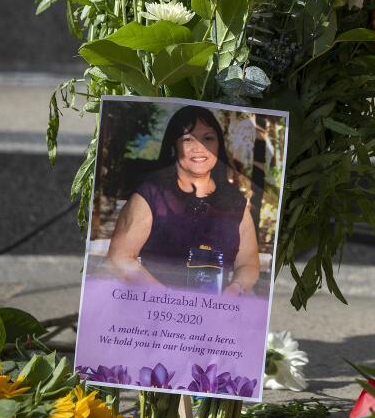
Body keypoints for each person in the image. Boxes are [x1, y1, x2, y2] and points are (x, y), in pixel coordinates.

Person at [106, 105, 261, 294]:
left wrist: (235, 290)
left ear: (218, 145)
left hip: (215, 315)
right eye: (188, 139)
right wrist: (169, 300)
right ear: (173, 146)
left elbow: (248, 265)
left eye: (208, 138)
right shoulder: (152, 194)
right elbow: (120, 258)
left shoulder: (235, 202)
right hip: (154, 313)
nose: (200, 147)